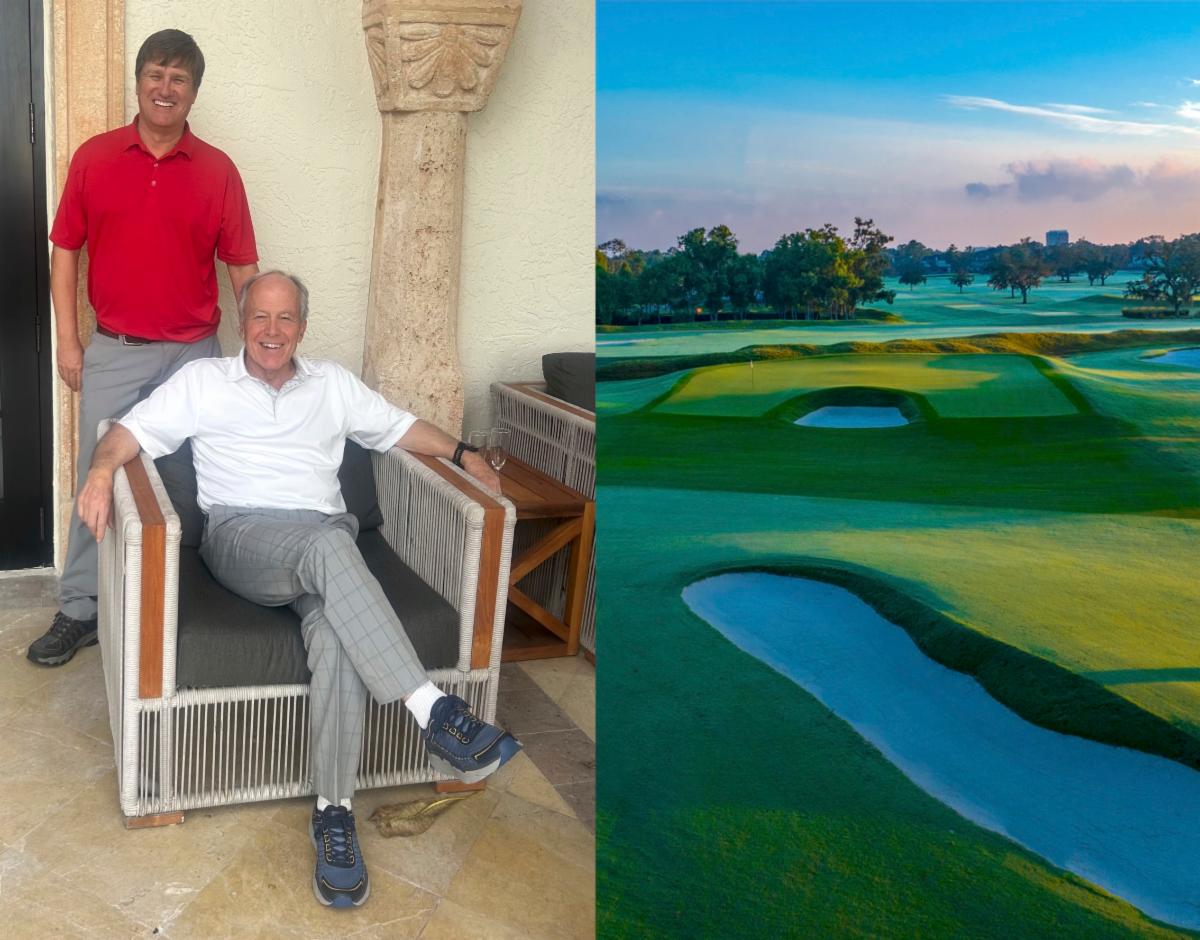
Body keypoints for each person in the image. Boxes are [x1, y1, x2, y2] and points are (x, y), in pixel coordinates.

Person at [77, 270, 521, 909]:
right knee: (329, 546)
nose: (272, 332)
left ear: (302, 328)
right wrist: (98, 473)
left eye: (285, 319)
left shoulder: (332, 385)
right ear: (242, 319)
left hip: (324, 543)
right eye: (261, 317)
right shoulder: (203, 383)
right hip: (243, 538)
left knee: (335, 631)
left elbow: (399, 430)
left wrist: (464, 452)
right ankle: (434, 710)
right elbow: (128, 433)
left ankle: (334, 813)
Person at [28, 29, 259, 666]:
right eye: (156, 74)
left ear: (193, 93)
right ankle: (81, 608)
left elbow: (242, 269)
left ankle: (186, 605)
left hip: (195, 354)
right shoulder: (95, 158)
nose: (165, 88)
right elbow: (64, 253)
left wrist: (259, 356)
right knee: (95, 475)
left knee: (195, 481)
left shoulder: (217, 171)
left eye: (178, 79)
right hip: (114, 349)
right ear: (138, 82)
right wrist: (69, 344)